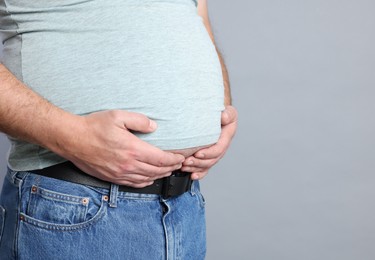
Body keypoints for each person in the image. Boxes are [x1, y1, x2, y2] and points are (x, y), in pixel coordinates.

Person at [0, 0, 238, 259]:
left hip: (184, 205)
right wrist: (74, 137)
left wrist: (221, 109)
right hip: (74, 202)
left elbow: (195, 15)